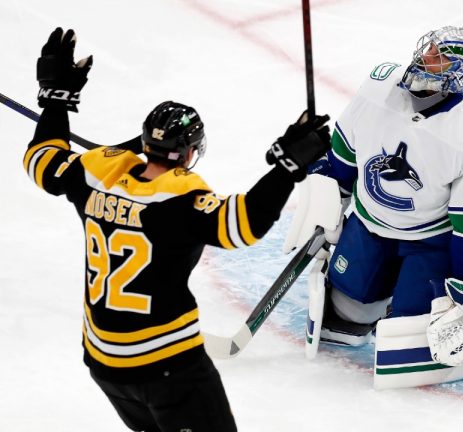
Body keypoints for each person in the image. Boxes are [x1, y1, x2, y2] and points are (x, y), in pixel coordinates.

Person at [24, 28, 330, 431]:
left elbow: (42, 160)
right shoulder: (178, 197)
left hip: (104, 363)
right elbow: (240, 227)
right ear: (189, 153)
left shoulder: (94, 173)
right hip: (167, 366)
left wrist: (56, 101)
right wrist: (287, 168)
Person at [310, 26, 463, 366]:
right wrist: (330, 194)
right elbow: (347, 148)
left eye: (438, 56)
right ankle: (381, 284)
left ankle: (411, 290)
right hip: (369, 223)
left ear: (460, 73)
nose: (424, 57)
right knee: (348, 315)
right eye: (428, 49)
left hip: (428, 240)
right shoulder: (380, 85)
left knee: (408, 332)